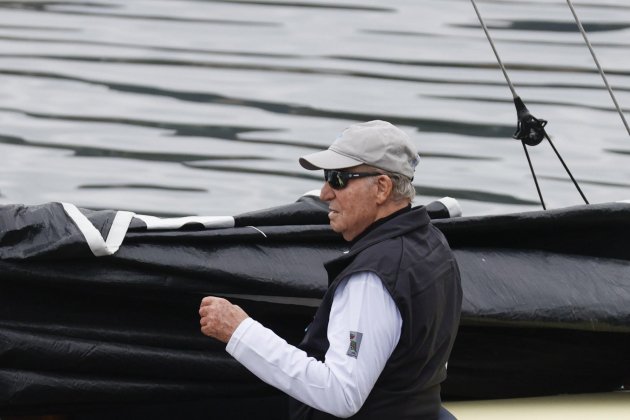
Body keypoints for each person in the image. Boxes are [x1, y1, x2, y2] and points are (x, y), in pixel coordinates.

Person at [199, 120, 462, 419]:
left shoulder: (370, 280)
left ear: (382, 188)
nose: (324, 193)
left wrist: (240, 332)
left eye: (338, 179)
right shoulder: (433, 243)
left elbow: (342, 394)